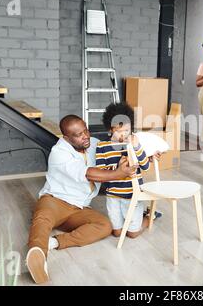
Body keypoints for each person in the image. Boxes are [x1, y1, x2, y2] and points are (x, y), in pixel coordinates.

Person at [25, 114, 137, 284]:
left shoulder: (93, 144)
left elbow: (119, 150)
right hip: (55, 200)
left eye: (86, 130)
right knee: (42, 219)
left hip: (80, 208)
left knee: (105, 226)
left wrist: (146, 154)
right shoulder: (59, 152)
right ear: (67, 138)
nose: (85, 136)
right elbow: (88, 173)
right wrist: (117, 174)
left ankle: (54, 242)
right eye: (79, 134)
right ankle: (38, 258)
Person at [96, 102, 153, 239]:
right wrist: (117, 169)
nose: (123, 135)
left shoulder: (135, 144)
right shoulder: (102, 146)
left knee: (132, 233)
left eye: (127, 130)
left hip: (133, 194)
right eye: (119, 131)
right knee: (117, 233)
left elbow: (146, 167)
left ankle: (150, 216)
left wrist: (137, 147)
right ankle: (140, 216)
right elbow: (101, 171)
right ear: (110, 130)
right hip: (113, 195)